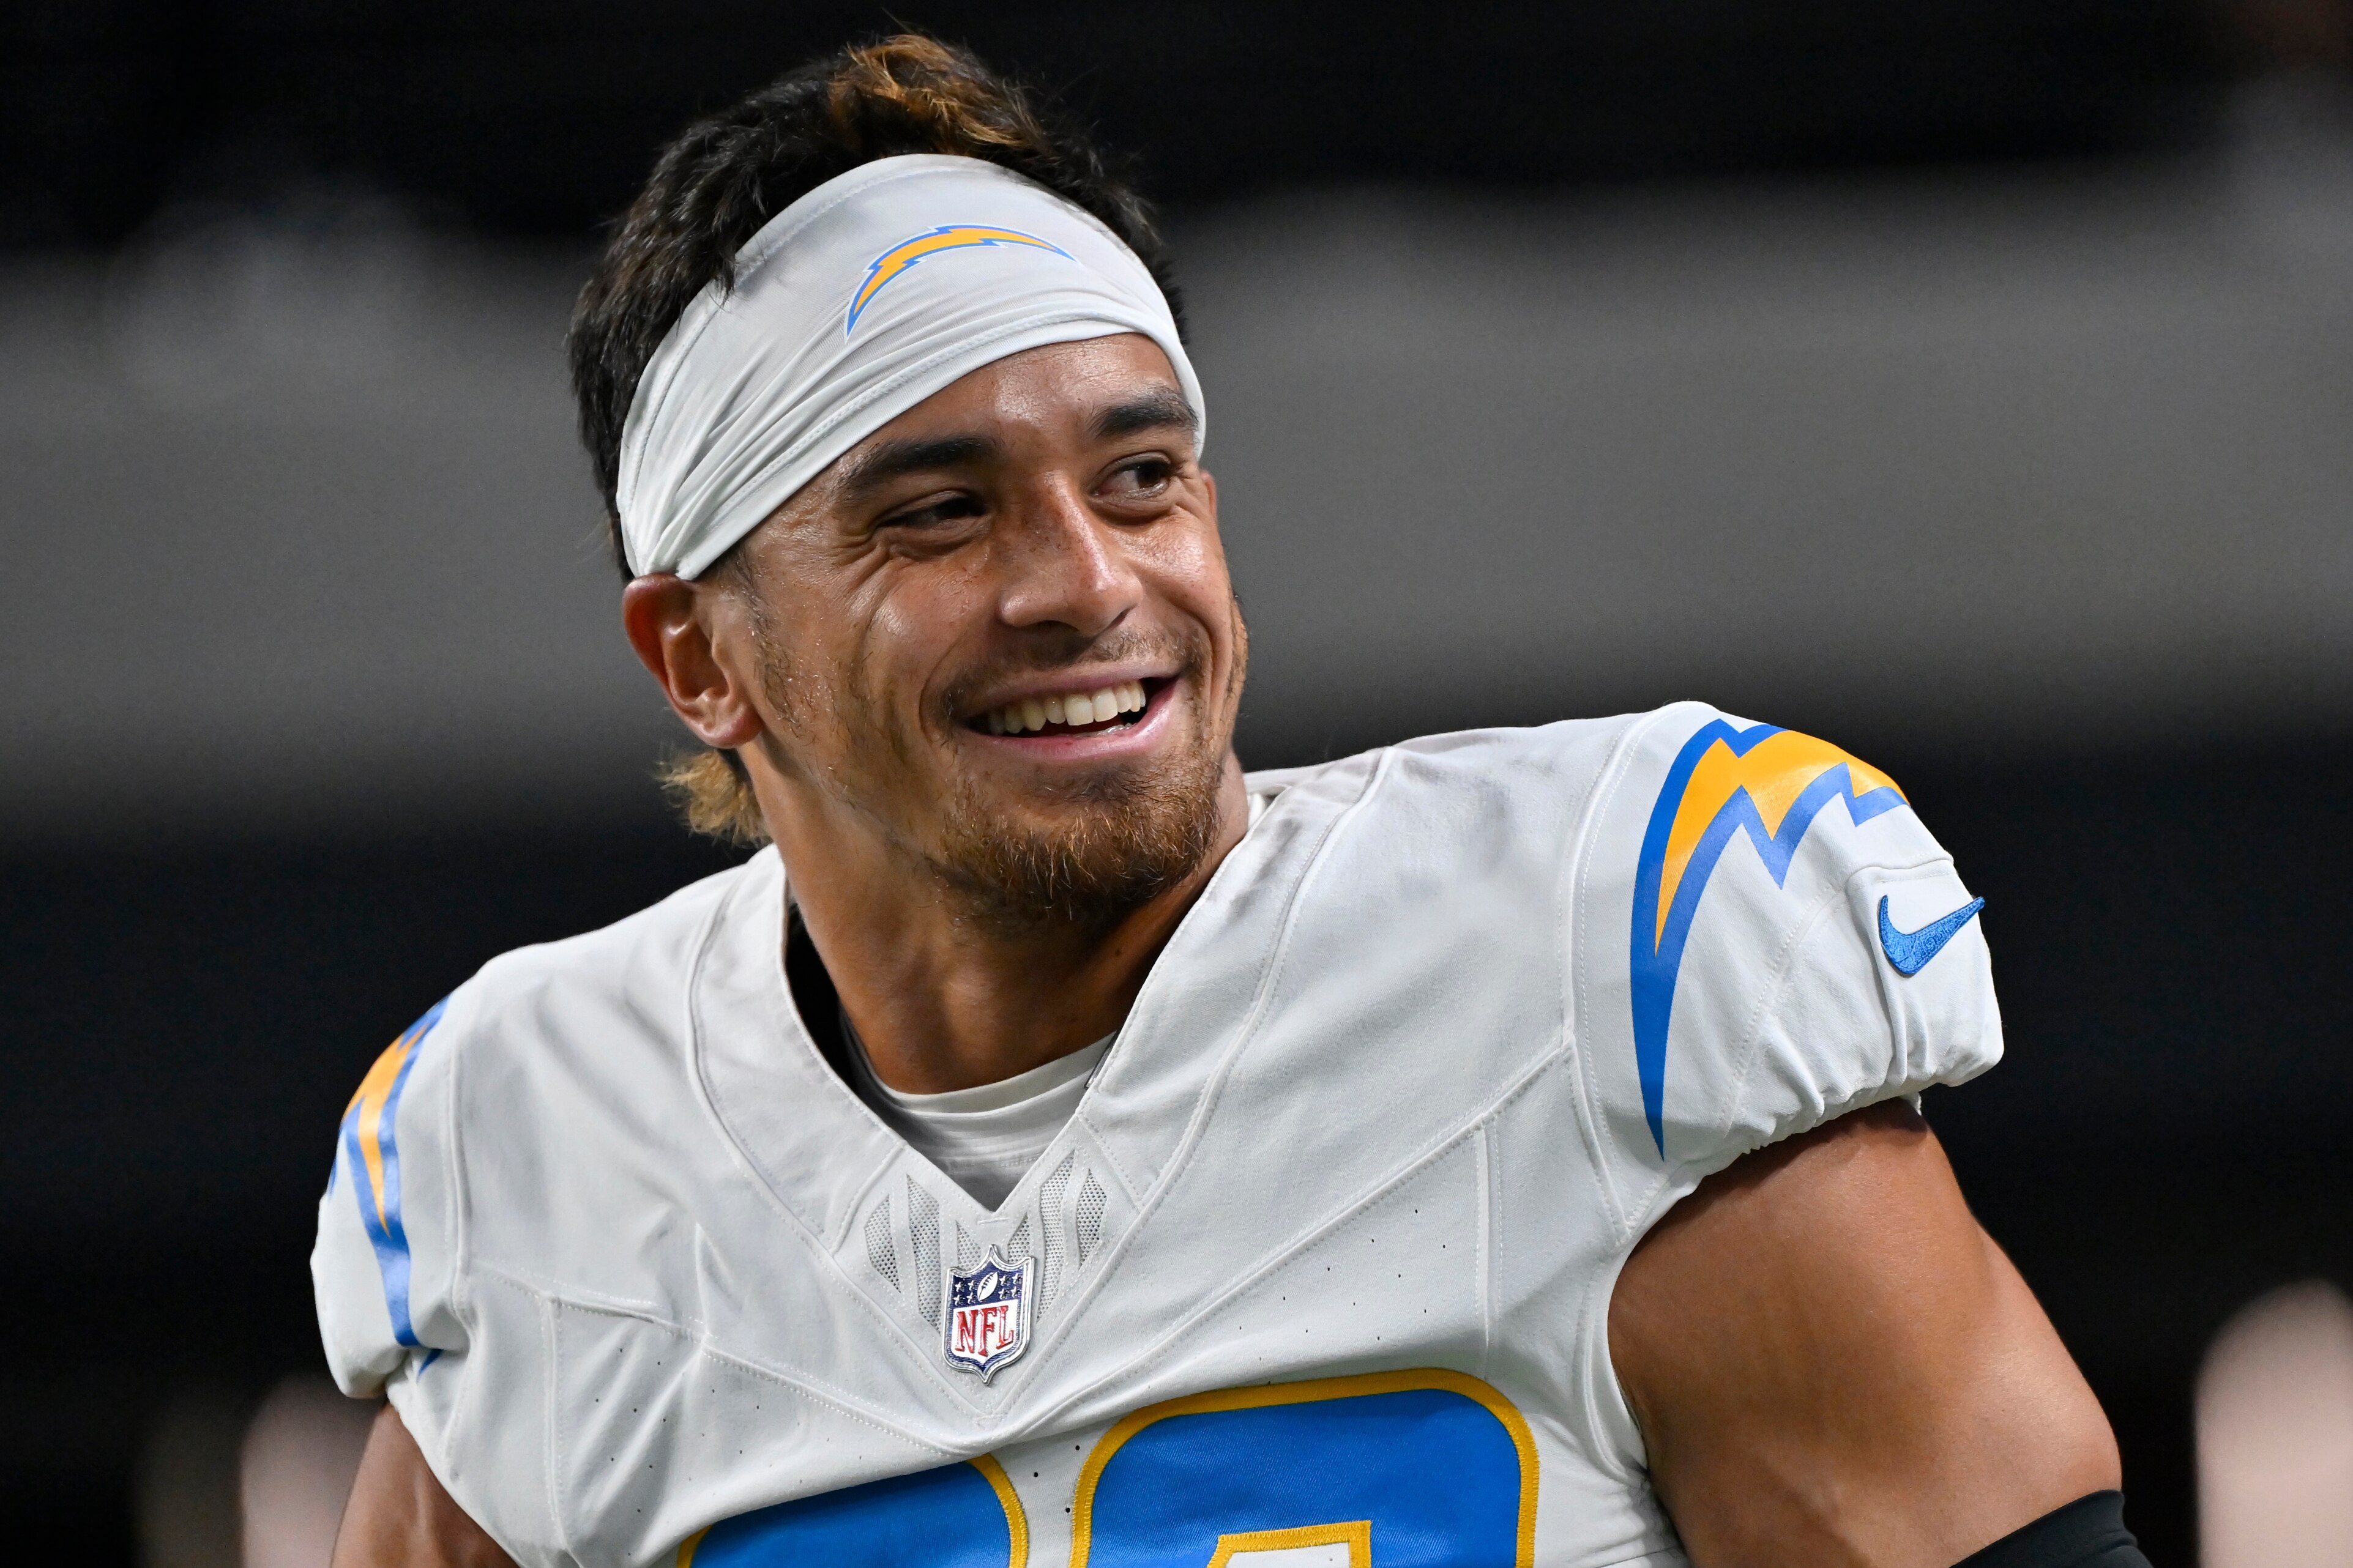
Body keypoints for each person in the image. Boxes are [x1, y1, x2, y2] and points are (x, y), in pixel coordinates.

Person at [315, 35, 2149, 1568]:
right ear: (699, 658)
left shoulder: (1600, 958)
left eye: (1139, 476)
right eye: (939, 509)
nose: (1085, 581)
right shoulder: (527, 1150)